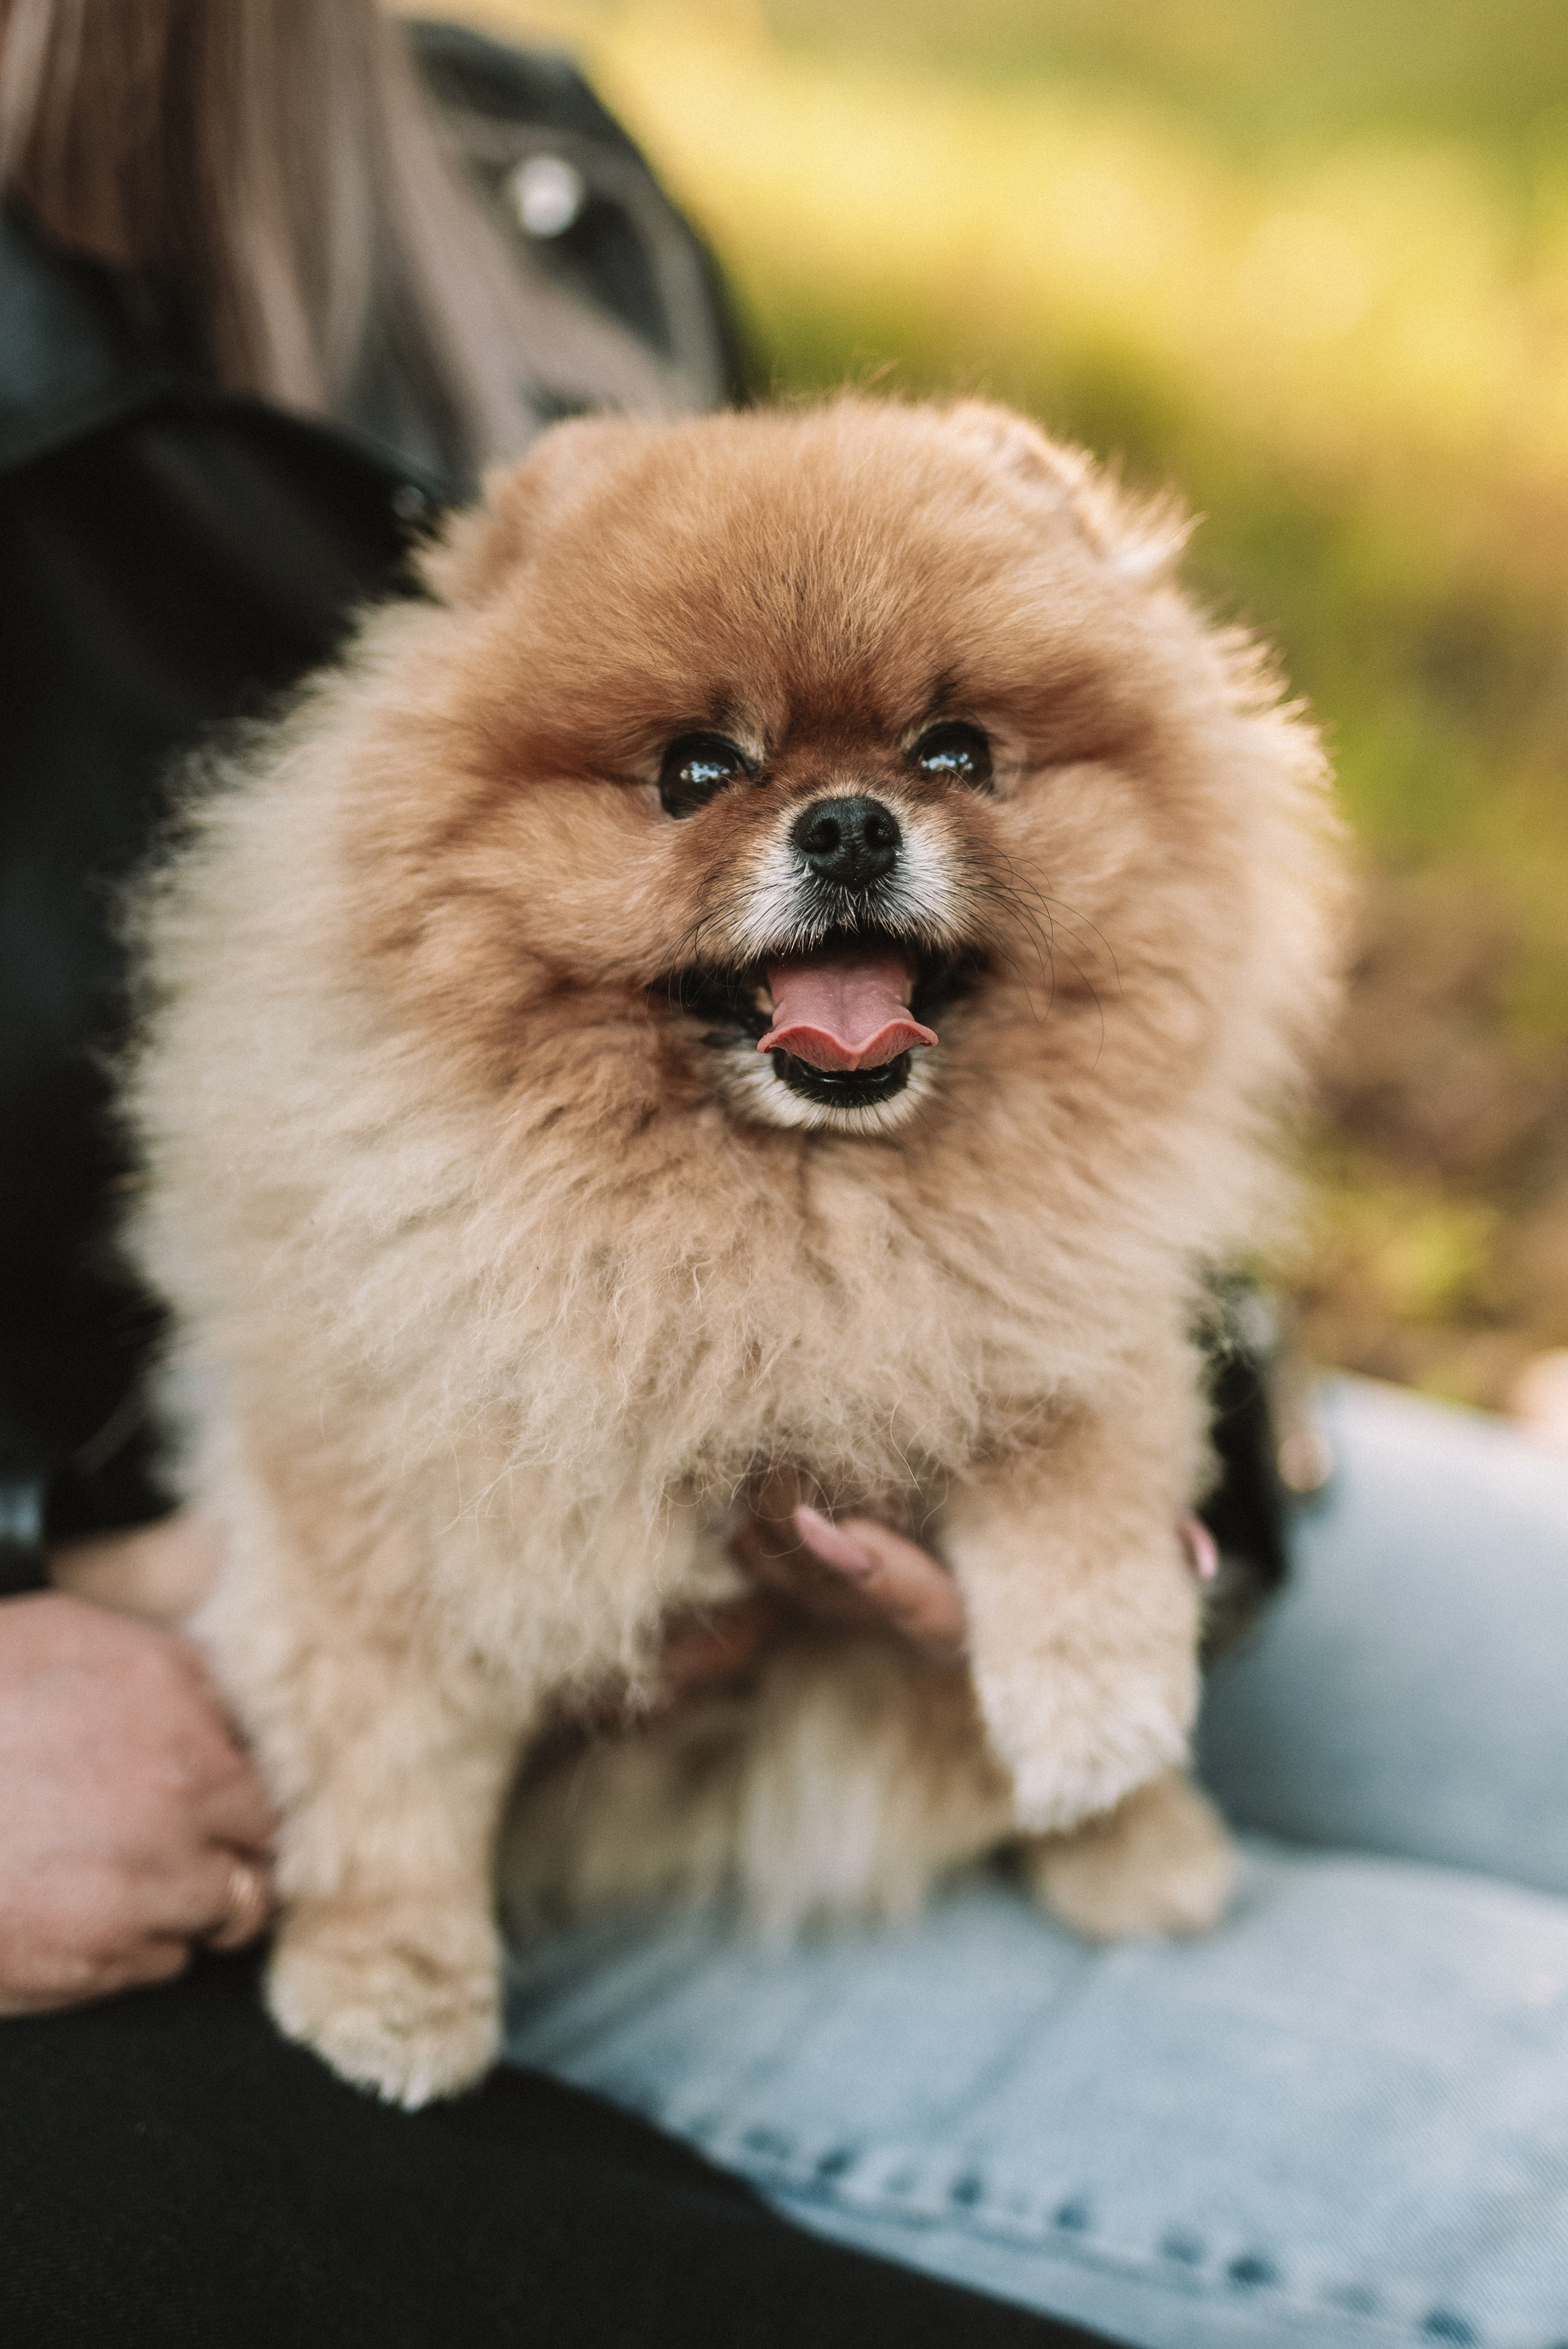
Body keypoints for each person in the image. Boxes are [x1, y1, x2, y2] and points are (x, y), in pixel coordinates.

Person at [5, 9, 1566, 2348]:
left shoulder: (510, 164)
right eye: (702, 773)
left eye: (939, 757)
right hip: (303, 1789)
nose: (843, 825)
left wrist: (1144, 1482)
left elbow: (1100, 1121)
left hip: (949, 1549)